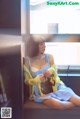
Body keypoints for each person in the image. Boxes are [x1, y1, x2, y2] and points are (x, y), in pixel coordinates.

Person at [24, 35, 80, 110]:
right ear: (34, 46)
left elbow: (55, 71)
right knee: (60, 105)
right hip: (41, 93)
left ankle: (76, 102)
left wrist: (51, 72)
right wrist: (37, 79)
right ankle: (75, 104)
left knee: (78, 100)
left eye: (44, 43)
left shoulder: (49, 57)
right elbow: (27, 81)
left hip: (56, 87)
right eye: (41, 44)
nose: (44, 46)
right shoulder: (27, 61)